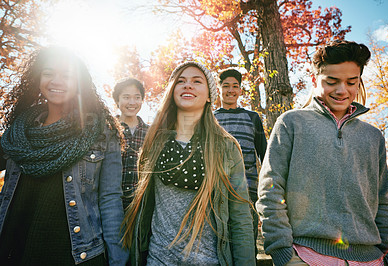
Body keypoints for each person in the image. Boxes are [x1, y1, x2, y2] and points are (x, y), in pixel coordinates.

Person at [256, 40, 388, 266]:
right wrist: (284, 254)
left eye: (351, 82)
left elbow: (382, 202)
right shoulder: (291, 123)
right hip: (305, 255)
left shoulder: (374, 137)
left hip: (371, 259)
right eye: (332, 81)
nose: (342, 90)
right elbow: (270, 189)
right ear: (315, 80)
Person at [0, 46, 128, 265]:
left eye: (66, 75)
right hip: (13, 245)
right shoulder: (18, 130)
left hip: (75, 253)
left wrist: (118, 259)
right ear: (37, 79)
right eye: (48, 73)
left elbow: (109, 201)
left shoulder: (102, 133)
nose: (56, 81)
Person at [122, 61, 255, 265]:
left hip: (209, 261)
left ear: (210, 94)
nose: (188, 85)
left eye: (197, 81)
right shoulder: (154, 142)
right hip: (158, 259)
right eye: (181, 81)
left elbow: (240, 219)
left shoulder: (226, 147)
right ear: (173, 91)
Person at [214, 68, 267, 254]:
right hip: (216, 191)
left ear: (240, 90)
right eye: (226, 86)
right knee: (218, 244)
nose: (230, 90)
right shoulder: (210, 118)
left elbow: (264, 154)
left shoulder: (252, 118)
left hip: (248, 191)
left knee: (245, 244)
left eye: (235, 86)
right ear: (219, 88)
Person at [112, 78, 149, 210]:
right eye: (126, 97)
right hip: (111, 204)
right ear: (117, 100)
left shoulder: (151, 132)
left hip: (141, 205)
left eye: (137, 97)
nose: (132, 102)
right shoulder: (108, 129)